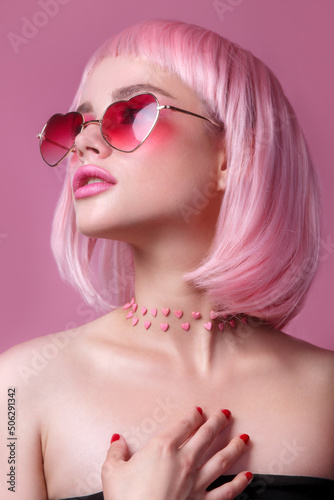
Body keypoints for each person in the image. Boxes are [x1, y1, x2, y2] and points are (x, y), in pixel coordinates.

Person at [1, 19, 333, 500]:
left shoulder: (326, 393)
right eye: (74, 124)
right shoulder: (17, 391)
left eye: (131, 113)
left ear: (231, 155)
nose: (83, 143)